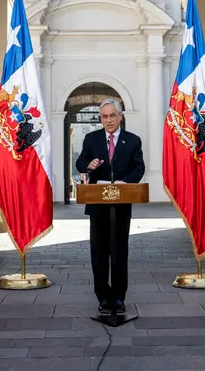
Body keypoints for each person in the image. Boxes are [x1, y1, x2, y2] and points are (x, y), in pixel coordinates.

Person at [75, 98, 145, 314]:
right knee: (98, 252)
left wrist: (127, 182)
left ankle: (118, 297)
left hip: (121, 204)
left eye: (112, 115)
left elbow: (138, 167)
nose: (108, 120)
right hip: (98, 206)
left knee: (119, 252)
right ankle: (103, 297)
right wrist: (89, 165)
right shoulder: (91, 139)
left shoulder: (133, 141)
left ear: (120, 116)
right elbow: (80, 162)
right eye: (104, 117)